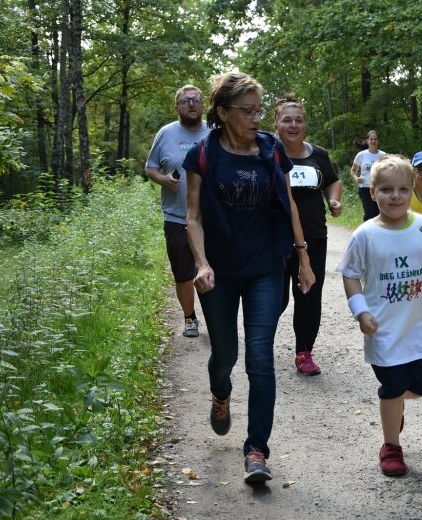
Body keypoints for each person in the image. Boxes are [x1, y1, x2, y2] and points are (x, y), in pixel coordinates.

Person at [182, 72, 315, 484]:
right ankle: (220, 393)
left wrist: (303, 256)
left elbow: (288, 203)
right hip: (218, 273)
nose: (258, 117)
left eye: (260, 110)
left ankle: (256, 449)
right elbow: (193, 217)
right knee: (225, 356)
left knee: (260, 357)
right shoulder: (202, 155)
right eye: (248, 111)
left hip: (264, 269)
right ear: (222, 113)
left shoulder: (271, 150)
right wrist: (202, 264)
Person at [336, 154, 422, 477]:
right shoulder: (365, 235)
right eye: (386, 190)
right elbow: (349, 274)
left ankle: (395, 406)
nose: (396, 197)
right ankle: (391, 447)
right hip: (382, 331)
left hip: (417, 330)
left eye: (403, 189)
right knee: (392, 386)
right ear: (372, 193)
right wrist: (360, 311)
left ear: (412, 189)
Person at [274, 94, 343, 376]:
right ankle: (260, 343)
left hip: (314, 237)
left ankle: (304, 353)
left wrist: (334, 200)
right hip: (276, 238)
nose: (293, 125)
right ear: (276, 124)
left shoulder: (319, 155)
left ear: (305, 125)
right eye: (286, 120)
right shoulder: (268, 155)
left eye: (298, 120)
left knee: (309, 297)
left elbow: (333, 180)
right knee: (275, 298)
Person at [145, 84, 210, 337]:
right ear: (176, 107)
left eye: (196, 100)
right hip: (176, 217)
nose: (191, 104)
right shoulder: (165, 133)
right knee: (184, 273)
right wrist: (162, 179)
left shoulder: (215, 132)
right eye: (185, 101)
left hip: (211, 218)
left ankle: (215, 318)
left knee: (214, 269)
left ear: (203, 105)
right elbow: (151, 167)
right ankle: (190, 318)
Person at [350, 130, 386, 221]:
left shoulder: (383, 155)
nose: (373, 141)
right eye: (371, 139)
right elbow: (353, 170)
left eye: (375, 139)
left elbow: (387, 171)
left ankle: (378, 234)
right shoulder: (361, 155)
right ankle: (366, 233)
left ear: (378, 141)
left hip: (379, 188)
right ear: (367, 141)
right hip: (365, 188)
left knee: (379, 214)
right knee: (369, 214)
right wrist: (356, 178)